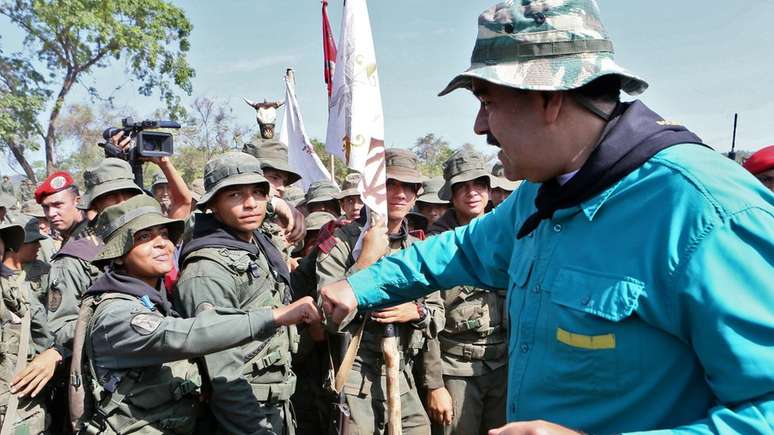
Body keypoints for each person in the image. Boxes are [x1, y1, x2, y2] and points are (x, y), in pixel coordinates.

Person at [320, 1, 774, 434]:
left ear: (549, 97)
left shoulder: (704, 211)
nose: (480, 126)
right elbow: (458, 250)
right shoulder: (543, 193)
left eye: (488, 101)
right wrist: (359, 286)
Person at [69, 194, 319, 434]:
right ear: (120, 255)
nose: (161, 244)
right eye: (143, 237)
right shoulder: (117, 313)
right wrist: (275, 316)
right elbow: (190, 334)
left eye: (164, 234)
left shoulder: (156, 300)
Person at [174, 152, 307, 435]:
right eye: (234, 195)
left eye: (258, 193)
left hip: (274, 402)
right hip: (241, 412)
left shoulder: (255, 239)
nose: (250, 204)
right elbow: (223, 373)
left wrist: (280, 206)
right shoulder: (207, 268)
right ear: (212, 205)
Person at [316, 148, 444, 435]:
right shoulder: (341, 243)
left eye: (408, 187)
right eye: (390, 184)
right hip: (355, 376)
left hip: (403, 376)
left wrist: (416, 311)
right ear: (371, 189)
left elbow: (438, 313)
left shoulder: (420, 248)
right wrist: (365, 260)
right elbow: (327, 317)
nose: (400, 194)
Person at [422, 150, 507, 435]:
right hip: (455, 369)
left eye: (479, 185)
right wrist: (434, 385)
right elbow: (426, 322)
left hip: (503, 365)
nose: (472, 193)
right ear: (451, 194)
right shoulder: (436, 245)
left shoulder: (505, 233)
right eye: (462, 187)